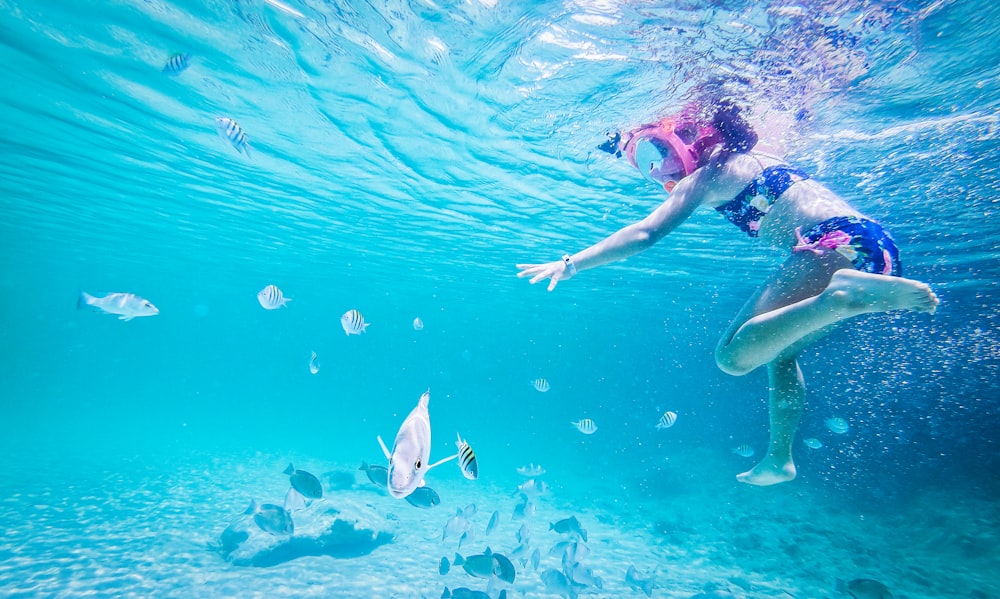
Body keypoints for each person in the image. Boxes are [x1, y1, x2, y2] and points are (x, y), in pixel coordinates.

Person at [516, 101, 939, 486]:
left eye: (654, 156)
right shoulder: (755, 157)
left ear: (683, 142)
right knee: (779, 348)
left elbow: (645, 233)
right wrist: (622, 144)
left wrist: (571, 264)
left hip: (835, 248)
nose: (656, 173)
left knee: (732, 358)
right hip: (875, 250)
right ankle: (779, 458)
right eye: (644, 165)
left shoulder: (705, 176)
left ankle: (839, 297)